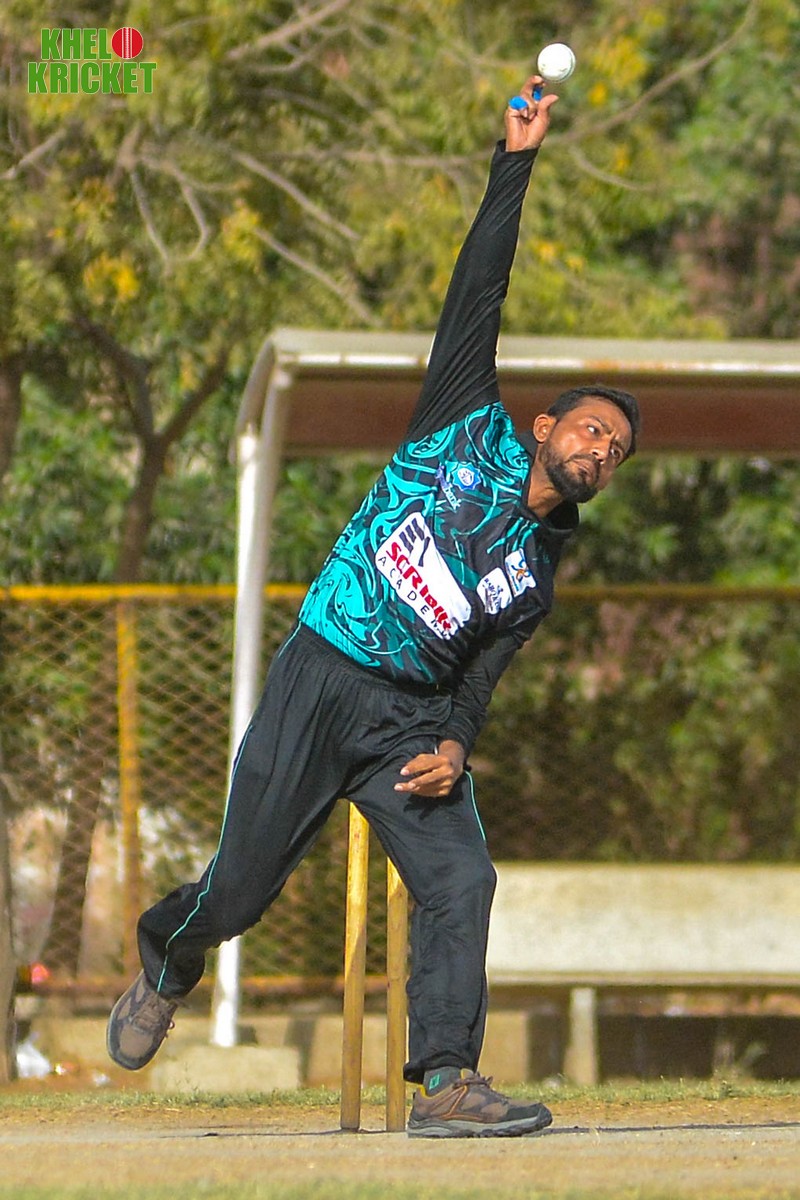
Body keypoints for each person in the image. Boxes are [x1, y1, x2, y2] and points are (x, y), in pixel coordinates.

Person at [107, 75, 640, 1138]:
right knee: (239, 895)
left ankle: (447, 1083)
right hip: (322, 675)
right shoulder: (462, 421)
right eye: (591, 430)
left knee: (463, 879)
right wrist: (515, 162)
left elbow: (481, 673)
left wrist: (455, 744)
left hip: (408, 723)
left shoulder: (536, 572)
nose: (601, 450)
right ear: (544, 428)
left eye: (618, 451)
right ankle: (168, 958)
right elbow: (478, 290)